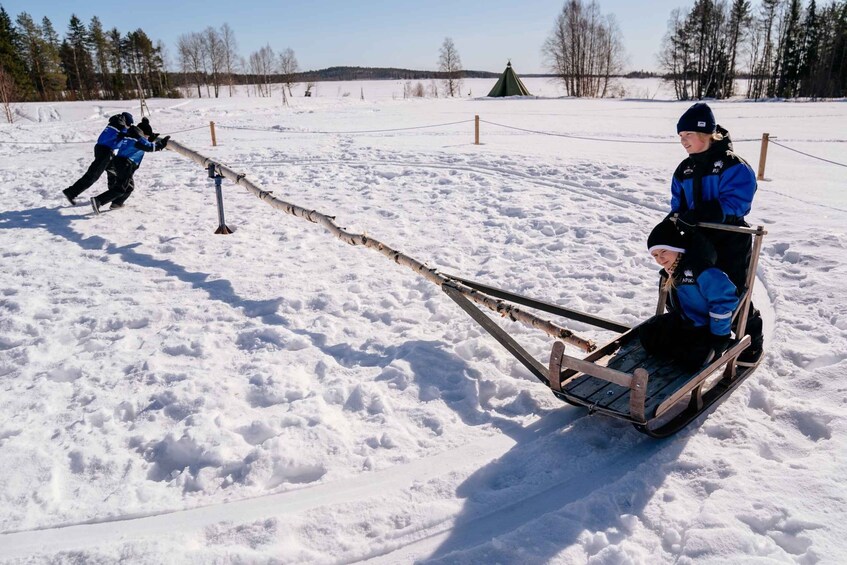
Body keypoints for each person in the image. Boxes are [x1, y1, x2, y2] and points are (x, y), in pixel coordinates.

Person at [671, 102, 763, 366]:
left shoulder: (733, 166)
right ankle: (696, 335)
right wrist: (674, 223)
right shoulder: (684, 170)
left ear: (705, 134)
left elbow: (739, 203)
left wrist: (704, 212)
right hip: (697, 240)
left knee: (732, 292)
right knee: (687, 285)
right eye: (680, 137)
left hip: (729, 239)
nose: (683, 142)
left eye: (687, 135)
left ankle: (751, 343)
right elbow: (677, 205)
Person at [639, 219, 739, 369]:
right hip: (686, 322)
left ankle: (701, 353)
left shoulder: (700, 269)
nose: (660, 259)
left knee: (691, 359)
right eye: (655, 255)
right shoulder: (671, 272)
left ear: (677, 247)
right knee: (648, 334)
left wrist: (719, 335)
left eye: (664, 251)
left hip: (707, 327)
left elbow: (724, 298)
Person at [90, 117, 169, 214]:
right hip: (126, 164)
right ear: (143, 133)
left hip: (122, 163)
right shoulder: (138, 138)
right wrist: (161, 144)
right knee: (120, 188)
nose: (147, 139)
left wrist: (150, 138)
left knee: (129, 187)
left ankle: (117, 203)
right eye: (147, 136)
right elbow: (148, 147)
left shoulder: (132, 134)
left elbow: (144, 143)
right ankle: (99, 200)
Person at [63, 112, 134, 204]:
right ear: (126, 121)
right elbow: (126, 134)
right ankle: (71, 192)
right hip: (105, 151)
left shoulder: (115, 122)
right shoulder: (119, 124)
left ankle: (112, 195)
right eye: (129, 124)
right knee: (93, 175)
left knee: (114, 172)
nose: (129, 126)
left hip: (103, 149)